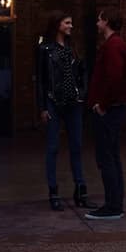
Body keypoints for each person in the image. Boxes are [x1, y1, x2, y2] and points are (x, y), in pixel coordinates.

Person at [36, 11, 95, 211]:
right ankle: (53, 192)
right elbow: (41, 81)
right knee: (52, 148)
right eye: (67, 22)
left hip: (74, 104)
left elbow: (83, 73)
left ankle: (81, 190)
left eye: (71, 22)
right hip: (53, 102)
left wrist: (82, 94)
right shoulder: (45, 49)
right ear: (58, 25)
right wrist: (43, 107)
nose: (71, 26)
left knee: (77, 147)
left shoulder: (74, 48)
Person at [86, 8, 126, 220]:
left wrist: (102, 104)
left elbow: (114, 79)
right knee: (112, 157)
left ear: (106, 21)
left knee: (107, 158)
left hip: (111, 110)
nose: (97, 23)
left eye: (99, 20)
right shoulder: (117, 44)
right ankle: (115, 204)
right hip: (115, 108)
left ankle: (113, 206)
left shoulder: (113, 46)